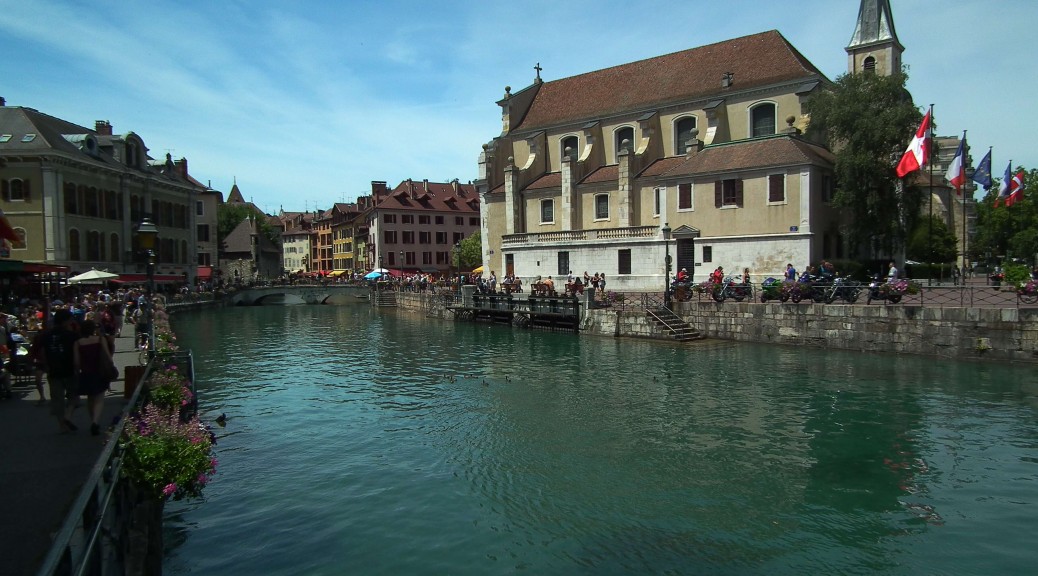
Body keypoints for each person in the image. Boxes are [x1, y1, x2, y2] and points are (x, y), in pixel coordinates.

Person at [40, 309, 80, 433]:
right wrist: (77, 367)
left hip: (53, 370)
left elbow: (42, 352)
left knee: (57, 398)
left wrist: (46, 365)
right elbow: (76, 353)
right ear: (66, 321)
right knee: (74, 396)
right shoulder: (72, 335)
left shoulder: (46, 335)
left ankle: (62, 424)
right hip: (69, 369)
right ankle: (68, 416)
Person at [74, 320, 114, 436]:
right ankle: (95, 421)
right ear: (93, 329)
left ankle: (93, 420)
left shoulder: (78, 343)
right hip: (99, 371)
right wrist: (110, 367)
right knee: (100, 398)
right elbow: (107, 356)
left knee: (90, 398)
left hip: (86, 372)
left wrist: (78, 371)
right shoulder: (100, 340)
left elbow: (76, 362)